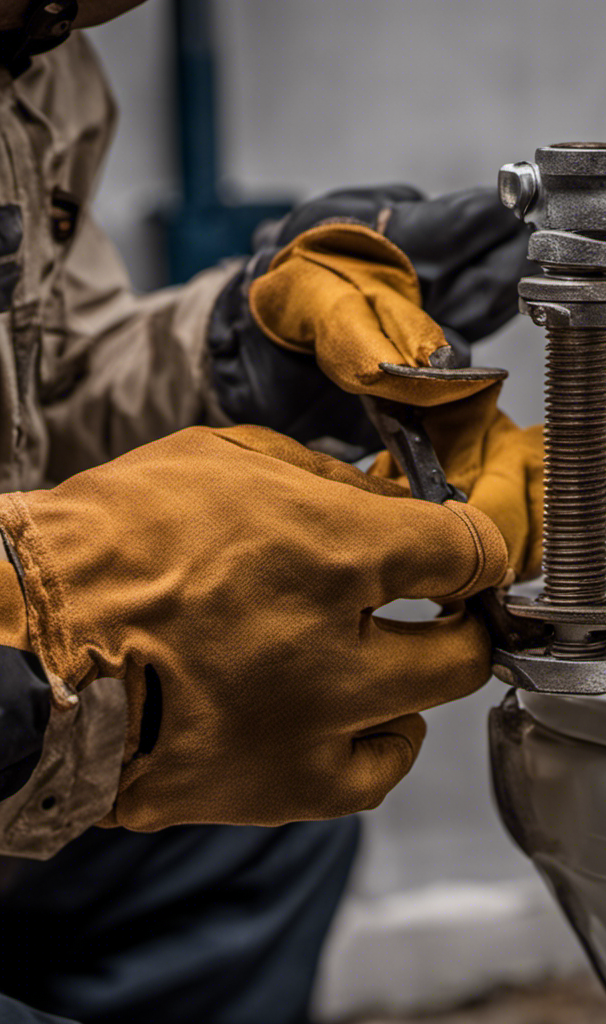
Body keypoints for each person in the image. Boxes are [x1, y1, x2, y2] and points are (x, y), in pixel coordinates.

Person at [0, 1, 543, 1022]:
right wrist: (41, 635)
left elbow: (51, 386)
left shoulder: (44, 63)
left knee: (267, 825)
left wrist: (244, 358)